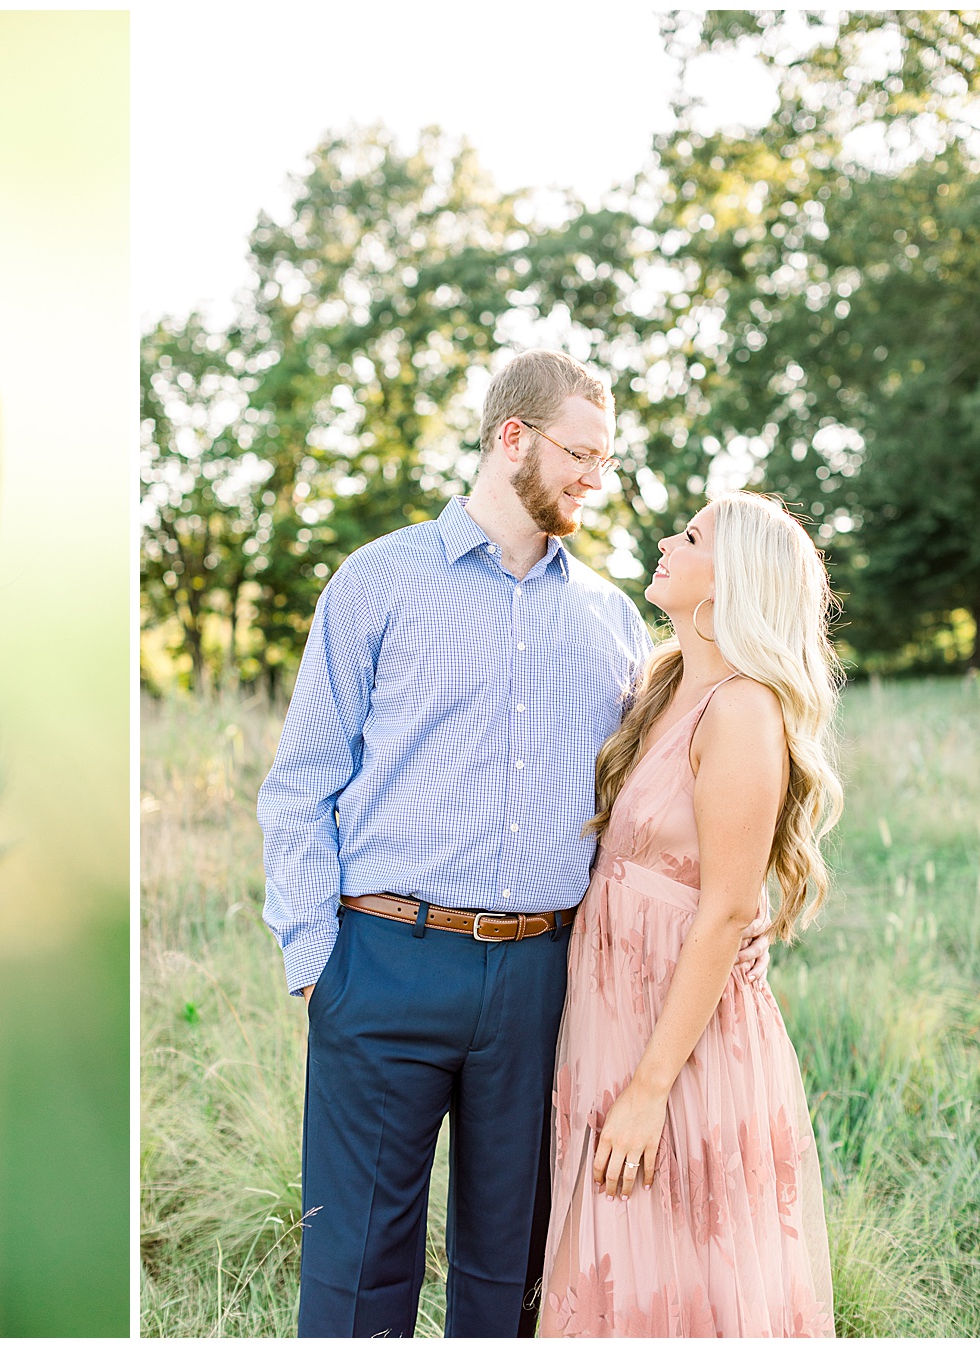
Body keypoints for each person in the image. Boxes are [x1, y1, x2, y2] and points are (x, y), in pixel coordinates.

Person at [257, 349, 654, 1337]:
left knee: (511, 1273)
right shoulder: (377, 582)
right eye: (582, 454)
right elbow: (302, 781)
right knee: (356, 1269)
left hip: (540, 981)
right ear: (511, 437)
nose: (596, 480)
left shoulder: (611, 619)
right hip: (383, 963)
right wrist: (318, 963)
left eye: (607, 460)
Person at [537, 492, 839, 1337]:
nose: (669, 540)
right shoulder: (663, 687)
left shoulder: (741, 709)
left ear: (731, 582)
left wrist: (649, 1087)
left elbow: (727, 910)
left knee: (676, 1266)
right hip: (614, 1013)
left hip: (678, 1042)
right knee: (617, 1256)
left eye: (693, 536)